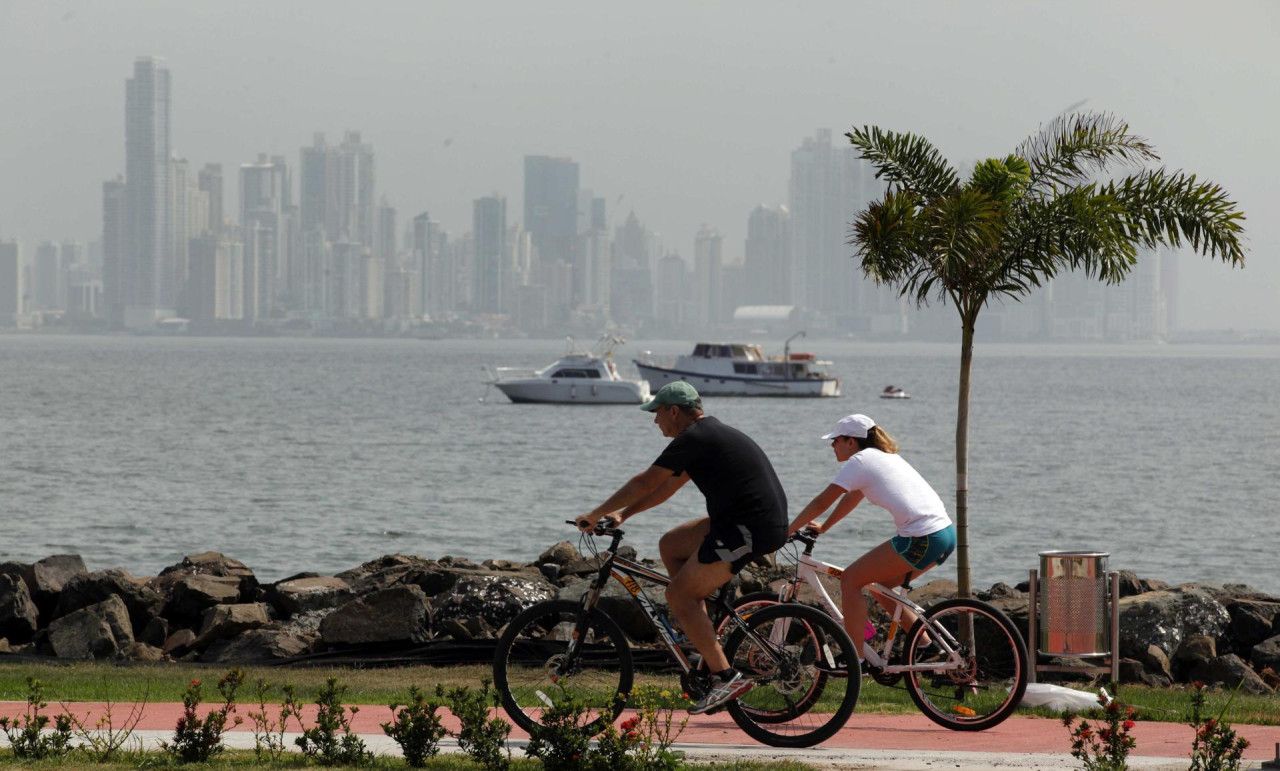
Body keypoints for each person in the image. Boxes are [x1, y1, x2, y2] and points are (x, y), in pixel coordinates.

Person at [578, 381, 789, 714]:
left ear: (674, 411)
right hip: (740, 521)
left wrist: (595, 513)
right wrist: (623, 512)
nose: (654, 421)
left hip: (749, 528)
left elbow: (646, 481)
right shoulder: (705, 437)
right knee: (671, 545)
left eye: (657, 413)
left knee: (678, 596)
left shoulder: (696, 437)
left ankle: (725, 676)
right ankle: (701, 633)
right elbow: (665, 489)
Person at [787, 414, 955, 658]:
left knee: (851, 580)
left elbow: (822, 500)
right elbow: (853, 497)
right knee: (880, 588)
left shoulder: (861, 461)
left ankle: (854, 658)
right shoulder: (883, 458)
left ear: (851, 442)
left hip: (922, 537)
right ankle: (926, 646)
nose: (831, 445)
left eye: (835, 440)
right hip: (944, 534)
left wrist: (786, 531)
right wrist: (825, 527)